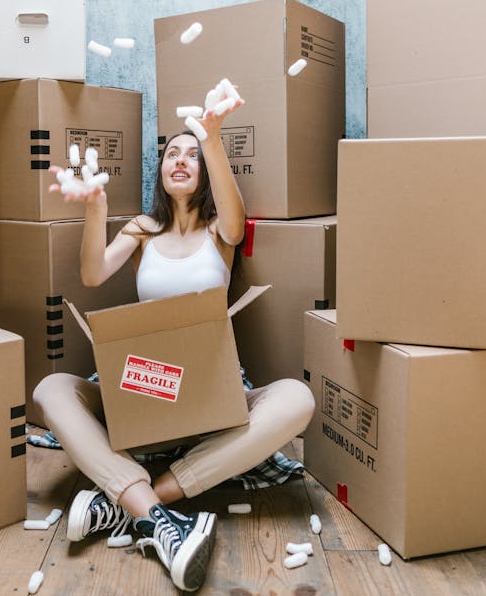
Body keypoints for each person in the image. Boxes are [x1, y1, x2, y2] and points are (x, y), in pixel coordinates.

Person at [32, 94, 315, 592]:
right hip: (144, 392)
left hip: (211, 395)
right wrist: (96, 210)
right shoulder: (142, 230)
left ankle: (138, 504)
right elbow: (93, 274)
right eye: (171, 154)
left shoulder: (219, 233)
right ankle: (155, 514)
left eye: (192, 155)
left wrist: (212, 136)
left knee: (298, 399)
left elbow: (235, 215)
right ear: (160, 171)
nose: (180, 160)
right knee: (52, 389)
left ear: (205, 171)